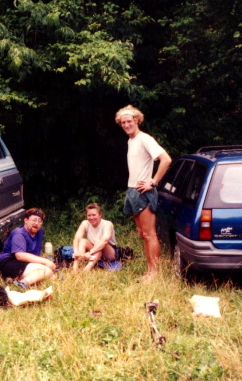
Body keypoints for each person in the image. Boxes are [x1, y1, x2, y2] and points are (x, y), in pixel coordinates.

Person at [115, 105, 172, 279]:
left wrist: (153, 182)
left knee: (149, 234)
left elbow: (166, 159)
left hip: (143, 191)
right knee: (142, 234)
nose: (126, 125)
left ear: (137, 120)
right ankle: (149, 271)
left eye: (129, 121)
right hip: (132, 190)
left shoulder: (145, 139)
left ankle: (155, 273)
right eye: (123, 123)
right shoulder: (131, 141)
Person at [0, 208, 56, 289]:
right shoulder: (19, 233)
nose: (36, 223)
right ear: (26, 220)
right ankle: (22, 283)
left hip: (24, 262)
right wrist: (45, 261)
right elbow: (19, 255)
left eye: (39, 221)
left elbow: (35, 255)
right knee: (47, 271)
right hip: (9, 262)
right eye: (34, 220)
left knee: (51, 276)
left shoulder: (39, 231)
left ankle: (12, 279)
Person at [72, 203, 117, 271]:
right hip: (94, 250)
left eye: (94, 215)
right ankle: (75, 268)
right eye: (89, 215)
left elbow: (105, 240)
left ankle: (86, 270)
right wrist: (76, 252)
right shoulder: (85, 223)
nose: (91, 218)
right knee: (82, 241)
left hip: (108, 252)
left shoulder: (107, 224)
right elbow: (77, 238)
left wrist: (90, 252)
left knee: (98, 243)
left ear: (100, 215)